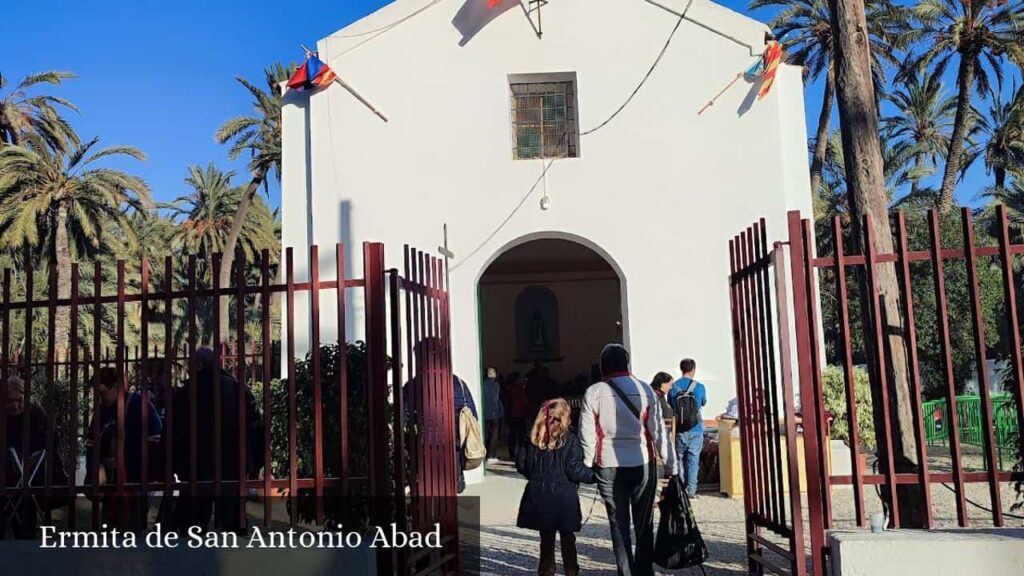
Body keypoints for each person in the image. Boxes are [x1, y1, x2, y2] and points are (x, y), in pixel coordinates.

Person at [580, 344, 674, 576]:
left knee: (617, 522)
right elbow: (658, 431)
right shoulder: (645, 390)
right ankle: (644, 570)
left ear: (603, 366)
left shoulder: (594, 392)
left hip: (608, 464)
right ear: (627, 363)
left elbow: (587, 434)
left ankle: (626, 570)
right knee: (644, 521)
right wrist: (671, 465)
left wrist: (588, 463)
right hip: (642, 460)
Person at [172, 347, 264, 534]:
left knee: (192, 527)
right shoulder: (239, 391)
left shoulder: (186, 393)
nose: (187, 370)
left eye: (190, 366)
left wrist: (174, 466)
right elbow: (256, 429)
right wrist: (253, 464)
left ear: (198, 366)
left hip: (195, 469)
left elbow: (174, 434)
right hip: (232, 468)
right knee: (232, 524)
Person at [515, 398, 595, 576]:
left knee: (546, 539)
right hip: (564, 495)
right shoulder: (570, 440)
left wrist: (536, 478)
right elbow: (574, 469)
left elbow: (522, 465)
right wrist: (595, 476)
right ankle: (571, 571)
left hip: (539, 493)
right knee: (568, 539)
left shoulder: (533, 438)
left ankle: (546, 571)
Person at [84, 366, 163, 530]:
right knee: (111, 524)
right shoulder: (101, 411)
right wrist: (93, 474)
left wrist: (135, 467)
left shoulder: (138, 405)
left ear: (115, 387)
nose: (99, 398)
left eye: (102, 393)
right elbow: (92, 444)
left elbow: (155, 441)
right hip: (110, 481)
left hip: (135, 479)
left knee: (133, 524)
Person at [2, 375, 50, 539]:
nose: (15, 405)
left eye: (19, 400)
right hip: (5, 473)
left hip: (29, 474)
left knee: (25, 509)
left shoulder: (37, 415)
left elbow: (46, 444)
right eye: (10, 401)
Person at [670, 358, 707, 499]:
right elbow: (703, 402)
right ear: (693, 370)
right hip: (696, 428)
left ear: (681, 369)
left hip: (679, 428)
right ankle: (691, 491)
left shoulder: (674, 387)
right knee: (693, 459)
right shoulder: (700, 387)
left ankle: (679, 489)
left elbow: (671, 404)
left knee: (679, 459)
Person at [453, 372, 478, 494]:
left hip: (427, 439)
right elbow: (472, 410)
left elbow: (404, 413)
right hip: (457, 434)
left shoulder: (417, 382)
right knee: (456, 461)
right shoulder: (459, 383)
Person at [504, 373, 529, 460]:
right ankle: (521, 453)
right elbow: (524, 401)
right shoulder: (519, 388)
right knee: (521, 436)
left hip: (512, 414)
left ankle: (512, 453)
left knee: (512, 435)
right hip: (520, 414)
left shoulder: (509, 389)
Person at [481, 368, 504, 463]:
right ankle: (491, 455)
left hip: (484, 413)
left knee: (485, 433)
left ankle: (484, 453)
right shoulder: (496, 385)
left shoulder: (482, 385)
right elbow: (498, 399)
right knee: (494, 434)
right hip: (495, 413)